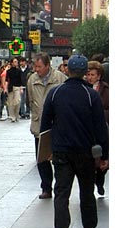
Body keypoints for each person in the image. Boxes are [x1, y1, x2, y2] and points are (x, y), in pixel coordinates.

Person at [40, 54, 109, 228]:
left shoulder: (55, 93)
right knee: (86, 193)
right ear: (84, 73)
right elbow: (100, 128)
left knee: (61, 194)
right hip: (85, 153)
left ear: (68, 70)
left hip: (61, 152)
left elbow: (46, 125)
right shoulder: (91, 95)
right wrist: (104, 155)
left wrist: (46, 151)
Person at [27, 53, 67, 199]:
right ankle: (46, 187)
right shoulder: (32, 79)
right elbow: (30, 100)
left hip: (57, 125)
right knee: (42, 158)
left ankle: (60, 187)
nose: (36, 70)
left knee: (58, 158)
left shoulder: (60, 78)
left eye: (39, 67)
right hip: (39, 125)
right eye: (35, 67)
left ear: (47, 66)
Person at [86, 60, 109, 195]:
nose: (90, 77)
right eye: (88, 74)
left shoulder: (106, 90)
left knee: (101, 155)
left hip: (102, 127)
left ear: (99, 76)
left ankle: (100, 181)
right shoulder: (84, 89)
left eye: (92, 75)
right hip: (88, 129)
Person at [5, 57, 22, 122]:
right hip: (10, 87)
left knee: (17, 101)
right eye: (15, 62)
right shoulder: (8, 71)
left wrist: (21, 88)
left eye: (17, 62)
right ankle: (12, 116)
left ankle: (16, 114)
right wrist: (5, 88)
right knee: (10, 102)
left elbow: (20, 80)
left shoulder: (19, 71)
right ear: (12, 63)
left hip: (17, 87)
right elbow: (7, 80)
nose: (16, 63)